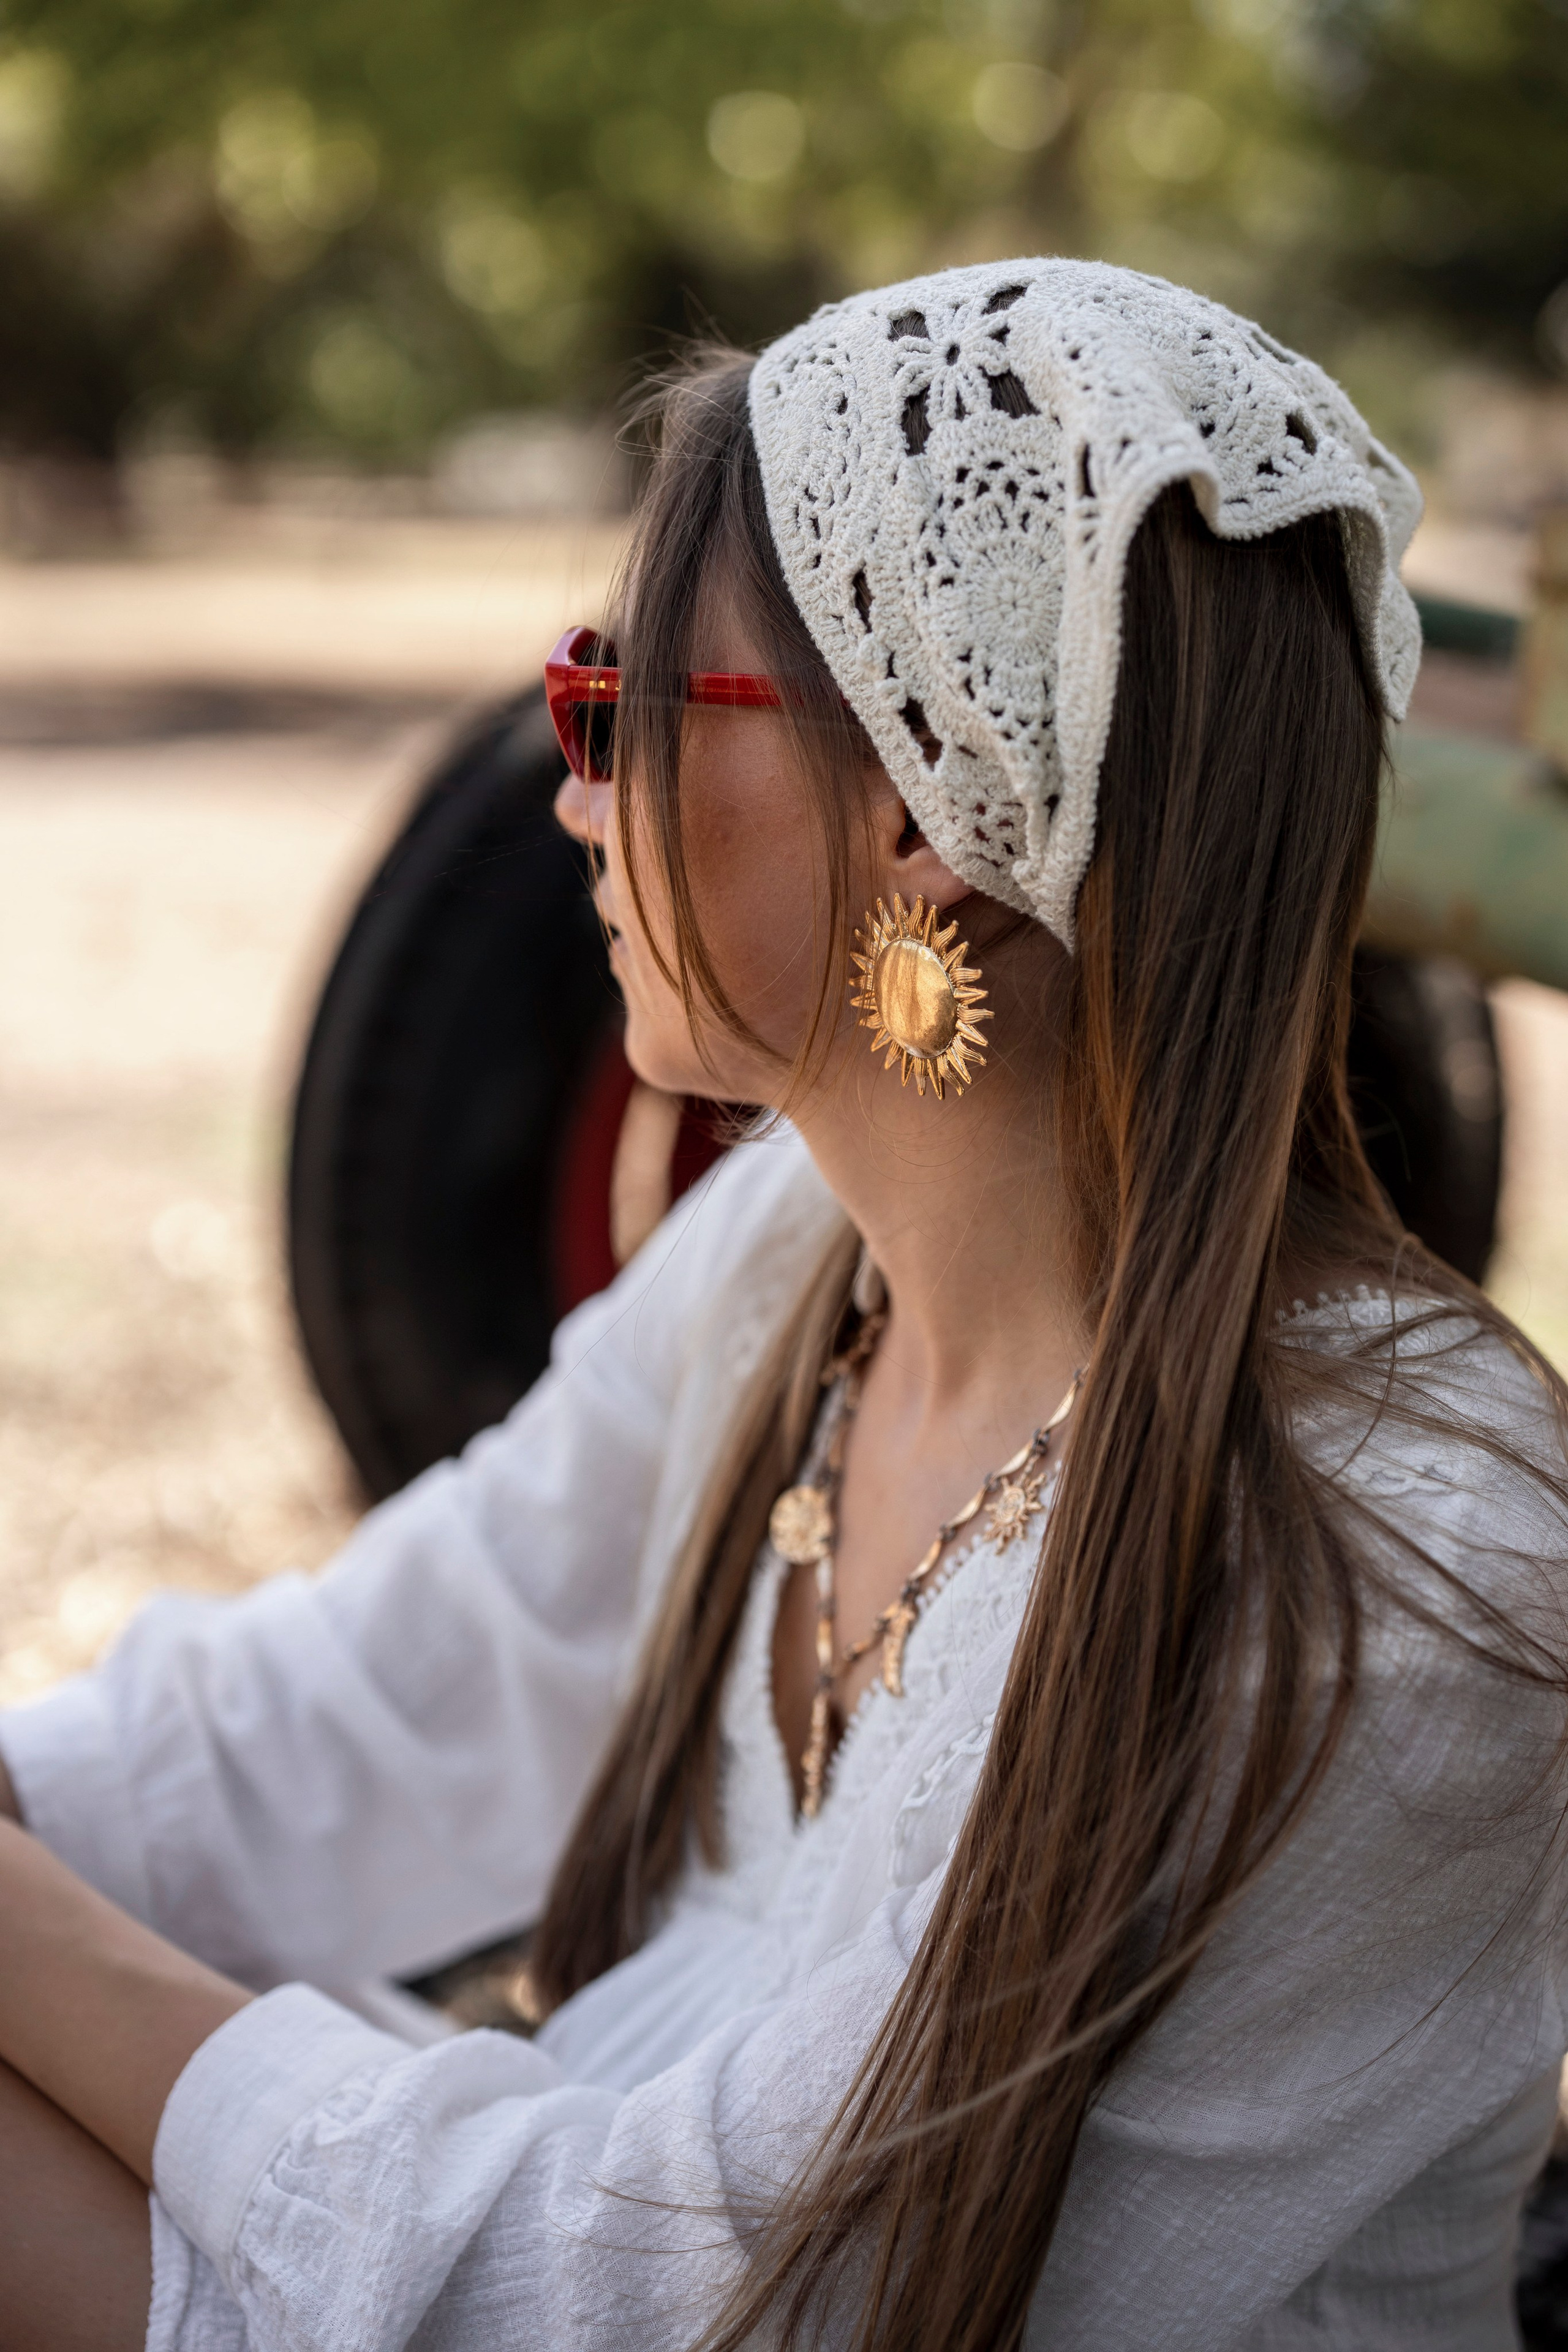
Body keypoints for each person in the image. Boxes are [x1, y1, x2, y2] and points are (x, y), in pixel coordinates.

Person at [0, 258, 1564, 2352]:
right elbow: (363, 1708)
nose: (575, 788)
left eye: (612, 705)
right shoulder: (796, 1257)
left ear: (921, 801)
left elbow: (712, 2296)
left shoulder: (1396, 1555)